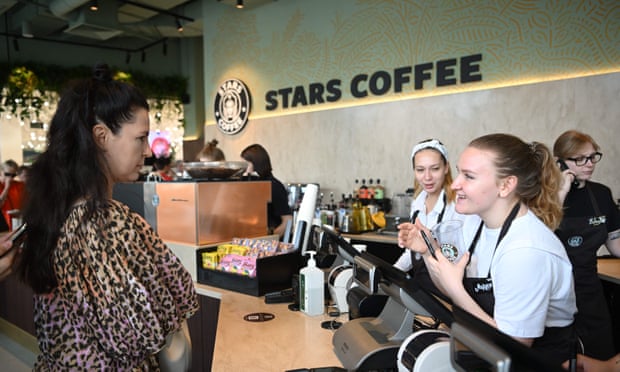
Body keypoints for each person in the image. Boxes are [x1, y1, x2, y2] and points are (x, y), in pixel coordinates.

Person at [17, 63, 199, 370]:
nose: (149, 152)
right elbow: (166, 346)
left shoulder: (55, 214)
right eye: (140, 138)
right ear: (101, 137)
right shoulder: (105, 224)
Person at [398, 133, 577, 365]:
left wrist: (456, 290)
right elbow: (448, 283)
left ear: (505, 186)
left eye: (469, 176)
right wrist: (427, 251)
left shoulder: (526, 250)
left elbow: (514, 347)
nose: (455, 184)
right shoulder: (475, 223)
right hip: (482, 351)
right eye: (459, 172)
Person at [553, 130, 620, 360]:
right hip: (555, 293)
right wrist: (561, 190)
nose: (589, 164)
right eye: (580, 159)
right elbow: (542, 233)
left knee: (600, 356)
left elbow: (615, 242)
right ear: (559, 162)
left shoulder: (601, 194)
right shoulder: (545, 195)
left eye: (593, 157)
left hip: (590, 291)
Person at [393, 138, 460, 272]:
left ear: (446, 168)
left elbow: (457, 255)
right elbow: (411, 253)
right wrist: (393, 272)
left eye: (435, 169)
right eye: (420, 170)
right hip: (422, 283)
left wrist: (430, 246)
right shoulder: (418, 203)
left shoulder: (457, 204)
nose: (427, 177)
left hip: (447, 283)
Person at [240, 144, 292, 239]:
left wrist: (269, 241)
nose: (242, 169)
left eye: (246, 164)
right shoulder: (251, 184)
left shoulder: (274, 186)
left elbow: (288, 221)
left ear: (257, 163)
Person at [0, 159, 26, 231]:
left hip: (17, 223)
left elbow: (27, 203)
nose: (10, 178)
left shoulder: (19, 185)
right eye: (7, 174)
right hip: (2, 225)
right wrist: (6, 188)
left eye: (13, 175)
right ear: (1, 172)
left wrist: (21, 211)